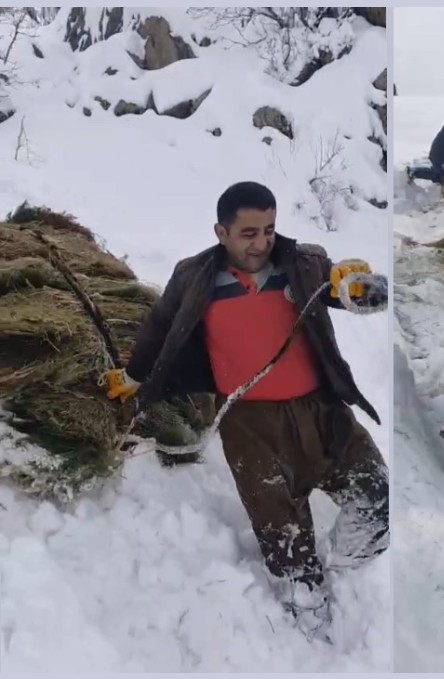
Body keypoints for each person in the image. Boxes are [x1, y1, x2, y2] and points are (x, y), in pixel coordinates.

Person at [102, 181, 389, 641]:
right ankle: (304, 589)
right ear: (221, 232)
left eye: (270, 230)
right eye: (249, 233)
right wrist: (136, 376)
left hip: (323, 411)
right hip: (248, 421)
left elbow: (356, 293)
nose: (262, 242)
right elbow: (159, 327)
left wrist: (363, 286)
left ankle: (351, 566)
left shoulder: (305, 263)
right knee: (277, 518)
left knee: (375, 491)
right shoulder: (195, 276)